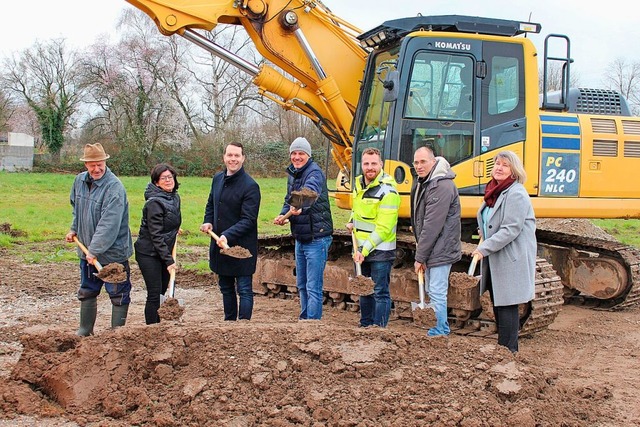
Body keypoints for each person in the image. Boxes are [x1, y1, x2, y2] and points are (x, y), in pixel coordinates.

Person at [64, 143, 133, 336]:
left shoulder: (114, 188)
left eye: (100, 164)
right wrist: (74, 228)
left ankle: (116, 335)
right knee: (87, 290)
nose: (96, 169)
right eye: (92, 165)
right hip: (87, 252)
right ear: (86, 164)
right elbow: (76, 209)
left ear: (105, 162)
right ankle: (85, 331)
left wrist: (94, 250)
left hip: (113, 254)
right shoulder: (79, 182)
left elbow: (109, 224)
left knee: (118, 293)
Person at [471, 150, 536, 353]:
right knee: (498, 304)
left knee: (507, 306)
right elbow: (491, 221)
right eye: (497, 164)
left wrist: (483, 248)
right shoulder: (495, 192)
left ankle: (509, 353)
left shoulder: (516, 193)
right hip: (497, 257)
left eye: (505, 165)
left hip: (510, 258)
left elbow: (510, 229)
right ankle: (503, 351)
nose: (498, 168)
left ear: (514, 171)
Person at [273, 137, 333, 320]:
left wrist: (300, 205)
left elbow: (309, 191)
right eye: (294, 153)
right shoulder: (293, 173)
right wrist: (283, 215)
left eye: (301, 153)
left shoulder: (314, 172)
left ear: (308, 155)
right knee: (302, 284)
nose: (297, 157)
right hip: (301, 236)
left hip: (317, 237)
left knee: (313, 286)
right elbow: (289, 198)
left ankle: (312, 324)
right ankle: (304, 319)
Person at [201, 142, 261, 321]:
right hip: (220, 246)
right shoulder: (217, 179)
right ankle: (229, 323)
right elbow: (211, 204)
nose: (233, 159)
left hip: (241, 247)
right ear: (224, 157)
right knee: (226, 287)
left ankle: (243, 326)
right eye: (230, 155)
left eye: (237, 156)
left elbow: (248, 220)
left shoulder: (250, 186)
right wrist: (208, 221)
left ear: (243, 158)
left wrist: (227, 235)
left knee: (244, 289)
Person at [411, 146, 461, 337]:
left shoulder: (441, 186)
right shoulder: (426, 182)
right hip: (433, 247)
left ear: (433, 161)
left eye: (423, 161)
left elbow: (432, 225)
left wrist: (419, 256)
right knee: (433, 291)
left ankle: (440, 331)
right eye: (416, 162)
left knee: (437, 292)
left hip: (441, 248)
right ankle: (439, 328)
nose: (419, 166)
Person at [347, 148, 400, 327]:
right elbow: (358, 210)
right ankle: (365, 326)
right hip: (361, 249)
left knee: (379, 292)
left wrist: (364, 249)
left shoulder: (388, 192)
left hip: (380, 251)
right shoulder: (359, 185)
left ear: (381, 165)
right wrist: (351, 221)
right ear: (362, 165)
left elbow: (384, 228)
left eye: (374, 164)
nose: (370, 167)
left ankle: (379, 329)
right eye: (366, 164)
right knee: (364, 289)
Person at [134, 163, 182, 325]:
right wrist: (169, 261)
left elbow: (168, 221)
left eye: (170, 177)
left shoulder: (174, 197)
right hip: (149, 253)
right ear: (156, 182)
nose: (168, 180)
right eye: (163, 178)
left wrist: (174, 228)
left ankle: (160, 326)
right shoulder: (154, 203)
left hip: (163, 250)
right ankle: (151, 330)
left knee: (162, 291)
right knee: (154, 294)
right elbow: (155, 235)